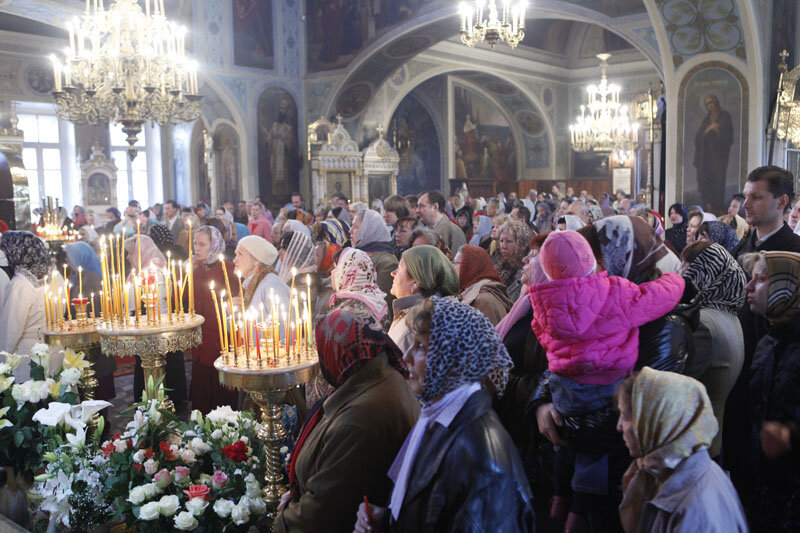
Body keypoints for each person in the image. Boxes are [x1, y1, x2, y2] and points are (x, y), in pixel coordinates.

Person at [530, 230, 684, 531]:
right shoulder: (616, 292)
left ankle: (560, 498)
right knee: (592, 455)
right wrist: (676, 279)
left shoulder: (542, 299)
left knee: (566, 446)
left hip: (565, 384)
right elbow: (656, 297)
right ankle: (578, 512)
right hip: (607, 384)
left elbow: (540, 334)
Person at [354, 298, 534, 532]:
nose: (406, 356)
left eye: (420, 347)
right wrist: (386, 520)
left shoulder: (481, 457)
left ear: (453, 359)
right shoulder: (440, 418)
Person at [276, 310, 419, 532]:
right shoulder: (376, 376)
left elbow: (323, 511)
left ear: (336, 354)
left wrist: (282, 519)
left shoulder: (359, 421)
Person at [726, 166, 800, 502]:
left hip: (779, 374)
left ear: (782, 201)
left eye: (756, 197)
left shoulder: (793, 252)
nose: (746, 205)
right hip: (739, 370)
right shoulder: (740, 247)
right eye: (746, 196)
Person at [615, 368, 747, 533]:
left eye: (626, 416)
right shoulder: (662, 472)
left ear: (659, 421)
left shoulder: (695, 513)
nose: (619, 426)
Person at [741, 250, 800, 531]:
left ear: (789, 287)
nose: (749, 287)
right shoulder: (771, 339)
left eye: (761, 279)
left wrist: (790, 437)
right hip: (766, 482)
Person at [677, 241, 745, 458]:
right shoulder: (729, 316)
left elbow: (679, 382)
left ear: (705, 271)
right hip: (712, 437)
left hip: (693, 443)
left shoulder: (702, 322)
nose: (679, 272)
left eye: (686, 265)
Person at [125, 235, 188, 407]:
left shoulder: (153, 271)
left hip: (156, 329)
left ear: (141, 252)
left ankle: (160, 404)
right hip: (145, 324)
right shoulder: (139, 270)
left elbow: (157, 304)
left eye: (130, 253)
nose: (128, 257)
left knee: (158, 367)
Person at [189, 225, 239, 414]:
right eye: (195, 244)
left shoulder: (228, 270)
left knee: (220, 398)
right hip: (199, 341)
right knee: (201, 397)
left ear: (215, 244)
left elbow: (235, 307)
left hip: (220, 340)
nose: (197, 248)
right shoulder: (196, 268)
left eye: (202, 244)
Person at [65, 241, 116, 401]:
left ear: (80, 258)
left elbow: (85, 311)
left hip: (92, 342)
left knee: (96, 391)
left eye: (69, 257)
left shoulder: (89, 280)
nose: (67, 261)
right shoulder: (83, 276)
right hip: (93, 340)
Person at [388, 245, 459, 354]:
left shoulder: (414, 327)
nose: (393, 273)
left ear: (415, 282)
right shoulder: (446, 308)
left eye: (400, 268)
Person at [0, 231, 49, 359]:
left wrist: (3, 360)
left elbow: (10, 331)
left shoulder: (19, 284)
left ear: (15, 252)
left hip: (28, 354)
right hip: (50, 349)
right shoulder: (49, 278)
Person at [351, 209, 398, 317]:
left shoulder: (387, 263)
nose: (350, 231)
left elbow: (382, 304)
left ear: (369, 230)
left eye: (355, 227)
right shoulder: (358, 255)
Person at [453, 245, 512, 325]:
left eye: (456, 263)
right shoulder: (469, 292)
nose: (452, 267)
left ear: (470, 266)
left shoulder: (483, 301)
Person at [233, 235, 290, 318]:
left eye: (240, 254)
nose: (234, 260)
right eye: (236, 254)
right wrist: (232, 313)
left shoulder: (273, 285)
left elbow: (284, 322)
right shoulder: (247, 282)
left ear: (256, 260)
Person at [497, 220, 532, 301]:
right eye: (501, 241)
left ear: (522, 244)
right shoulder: (501, 267)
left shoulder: (528, 273)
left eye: (509, 241)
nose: (503, 246)